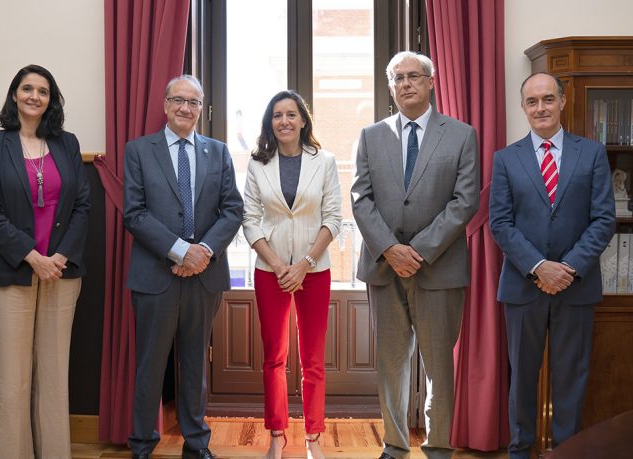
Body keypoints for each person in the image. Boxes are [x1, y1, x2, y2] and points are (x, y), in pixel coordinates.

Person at [351, 51, 480, 459]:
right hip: (384, 268)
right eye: (398, 78)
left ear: (431, 81)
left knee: (439, 366)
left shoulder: (461, 134)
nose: (406, 83)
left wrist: (418, 252)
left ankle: (438, 445)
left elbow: (465, 202)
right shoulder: (372, 135)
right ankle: (394, 444)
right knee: (391, 364)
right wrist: (390, 249)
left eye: (413, 76)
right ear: (391, 87)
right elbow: (360, 197)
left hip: (439, 269)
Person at [489, 72, 615, 459]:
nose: (540, 108)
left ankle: (566, 451)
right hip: (523, 287)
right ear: (523, 107)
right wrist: (539, 266)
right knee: (522, 379)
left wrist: (568, 268)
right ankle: (520, 451)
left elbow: (604, 219)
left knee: (571, 380)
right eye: (532, 101)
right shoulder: (506, 159)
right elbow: (500, 222)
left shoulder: (591, 153)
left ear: (562, 101)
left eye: (547, 99)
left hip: (576, 288)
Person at [123, 74, 243, 459]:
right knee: (151, 367)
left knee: (195, 364)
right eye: (178, 100)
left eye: (193, 102)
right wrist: (179, 250)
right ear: (165, 105)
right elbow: (134, 214)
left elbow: (232, 210)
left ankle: (196, 444)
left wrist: (202, 251)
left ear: (201, 109)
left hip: (204, 277)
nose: (185, 108)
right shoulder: (139, 150)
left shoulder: (218, 152)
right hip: (155, 277)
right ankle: (142, 445)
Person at [0, 64, 91, 458]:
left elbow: (82, 208)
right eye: (27, 89)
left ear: (50, 99)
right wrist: (32, 257)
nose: (34, 96)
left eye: (43, 91)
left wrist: (57, 258)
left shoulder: (67, 143)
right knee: (13, 384)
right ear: (14, 95)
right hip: (10, 274)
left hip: (61, 272)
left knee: (54, 380)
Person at [242, 90, 342, 459]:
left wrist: (304, 264)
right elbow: (250, 221)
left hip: (314, 271)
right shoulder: (257, 165)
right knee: (274, 357)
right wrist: (280, 265)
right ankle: (277, 434)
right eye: (277, 115)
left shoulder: (326, 161)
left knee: (313, 359)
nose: (284, 121)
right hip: (270, 271)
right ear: (270, 123)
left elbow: (332, 218)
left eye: (291, 114)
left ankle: (314, 436)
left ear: (303, 120)